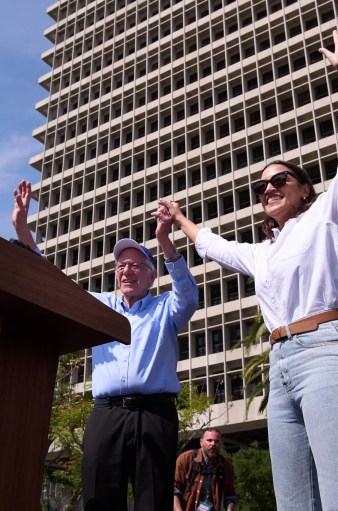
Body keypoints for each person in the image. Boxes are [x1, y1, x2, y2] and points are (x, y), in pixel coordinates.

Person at [153, 28, 338, 510]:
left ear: (303, 188)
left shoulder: (327, 215)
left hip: (328, 353)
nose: (269, 188)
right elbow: (214, 245)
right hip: (280, 367)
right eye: (262, 186)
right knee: (293, 501)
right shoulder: (264, 252)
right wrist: (177, 220)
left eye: (280, 179)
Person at [12, 181, 199, 510]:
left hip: (155, 414)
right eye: (121, 266)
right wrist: (22, 229)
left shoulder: (166, 308)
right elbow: (55, 283)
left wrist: (164, 241)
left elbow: (189, 295)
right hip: (106, 414)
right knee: (98, 498)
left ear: (152, 275)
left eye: (136, 265)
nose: (127, 270)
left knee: (153, 501)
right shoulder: (100, 306)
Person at [173, 428, 238, 511]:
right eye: (209, 440)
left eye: (216, 441)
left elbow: (230, 496)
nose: (213, 444)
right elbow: (174, 490)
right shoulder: (186, 459)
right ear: (201, 442)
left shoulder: (226, 465)